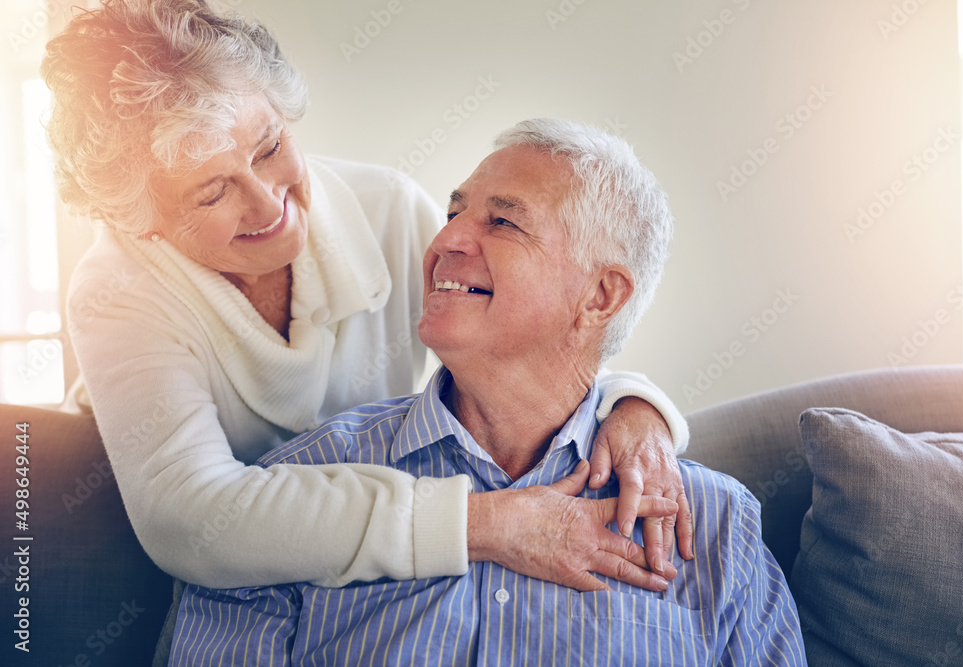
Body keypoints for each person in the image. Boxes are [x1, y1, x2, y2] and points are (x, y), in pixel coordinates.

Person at [41, 0, 695, 653]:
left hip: (353, 553)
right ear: (140, 219)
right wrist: (488, 522)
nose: (269, 203)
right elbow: (195, 520)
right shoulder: (116, 289)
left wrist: (636, 405)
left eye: (270, 148)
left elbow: (526, 336)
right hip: (152, 544)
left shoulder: (387, 213)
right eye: (212, 192)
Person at [169, 119, 806, 666]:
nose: (444, 240)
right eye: (452, 214)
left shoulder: (714, 525)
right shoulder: (291, 494)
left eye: (502, 222)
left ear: (600, 296)